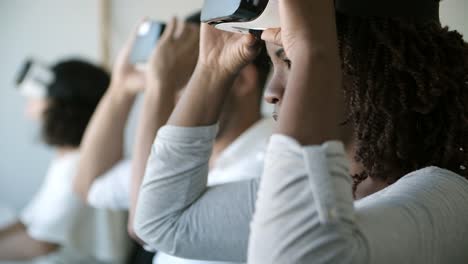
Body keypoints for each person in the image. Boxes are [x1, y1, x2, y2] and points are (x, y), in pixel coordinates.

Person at [134, 0, 468, 263]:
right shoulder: (340, 186)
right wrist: (210, 70)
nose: (272, 90)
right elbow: (163, 222)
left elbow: (298, 257)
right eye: (275, 64)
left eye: (289, 61)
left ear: (372, 67)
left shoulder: (449, 197)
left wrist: (312, 52)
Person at [74, 12, 272, 264]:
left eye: (185, 83)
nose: (173, 106)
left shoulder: (267, 160)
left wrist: (160, 85)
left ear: (242, 79)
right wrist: (120, 88)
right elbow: (88, 186)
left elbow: (144, 227)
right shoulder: (197, 154)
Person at [0, 59, 130, 264]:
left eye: (37, 99)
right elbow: (28, 220)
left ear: (61, 107)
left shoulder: (79, 165)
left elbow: (41, 243)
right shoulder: (67, 158)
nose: (29, 107)